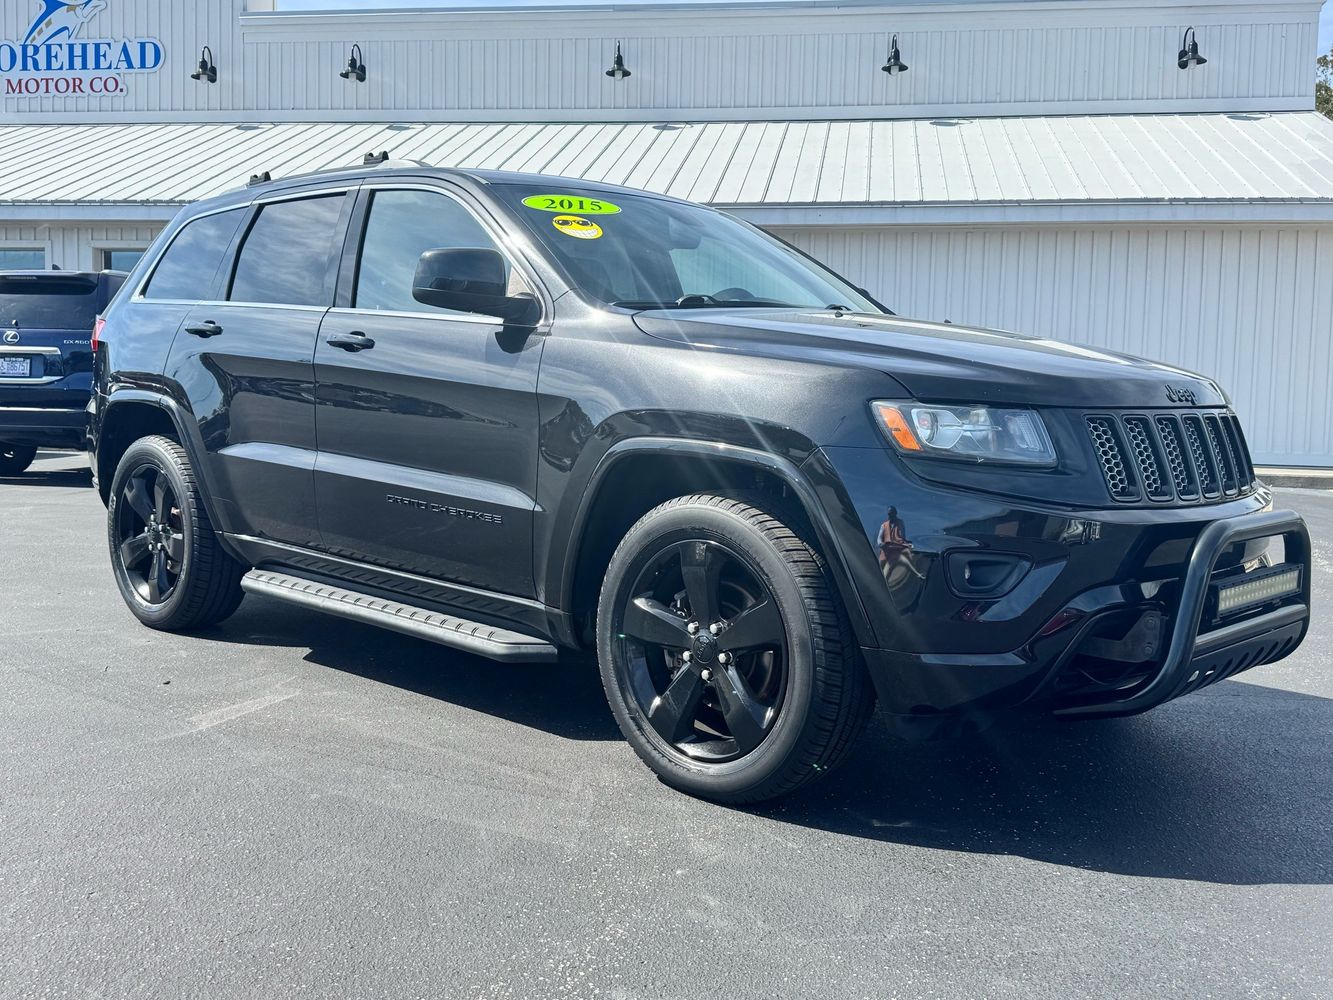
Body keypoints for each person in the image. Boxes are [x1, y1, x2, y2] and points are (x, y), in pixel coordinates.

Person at [877, 506, 926, 583]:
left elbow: (902, 537)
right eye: (889, 514)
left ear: (895, 513)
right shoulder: (884, 525)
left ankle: (918, 574)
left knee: (887, 572)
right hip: (886, 549)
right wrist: (881, 544)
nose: (891, 516)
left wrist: (906, 543)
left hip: (897, 548)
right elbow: (879, 538)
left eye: (892, 514)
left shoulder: (900, 522)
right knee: (878, 568)